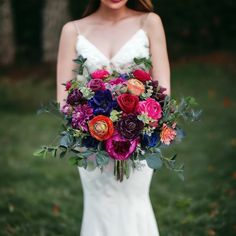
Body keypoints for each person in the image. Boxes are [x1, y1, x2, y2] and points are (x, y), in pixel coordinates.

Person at [56, 0, 170, 235]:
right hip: (90, 144)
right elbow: (64, 100)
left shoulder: (150, 23)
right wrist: (93, 127)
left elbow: (163, 93)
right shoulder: (73, 30)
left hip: (138, 140)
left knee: (133, 206)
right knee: (100, 208)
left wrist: (137, 125)